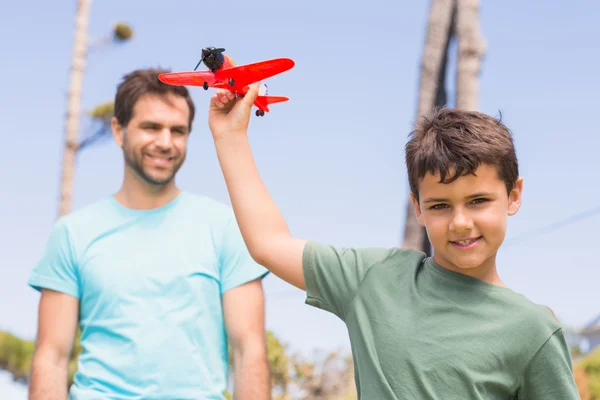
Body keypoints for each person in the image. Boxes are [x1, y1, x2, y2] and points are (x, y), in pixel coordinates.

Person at [206, 83, 581, 399]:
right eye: (439, 206)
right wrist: (230, 136)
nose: (461, 223)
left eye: (478, 201)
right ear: (417, 208)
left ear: (513, 195)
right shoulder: (375, 278)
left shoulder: (534, 330)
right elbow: (268, 243)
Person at [27, 68, 271, 400]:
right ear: (118, 130)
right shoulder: (72, 234)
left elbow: (249, 353)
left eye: (178, 130)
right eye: (151, 127)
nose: (166, 142)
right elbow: (51, 359)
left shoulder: (226, 228)